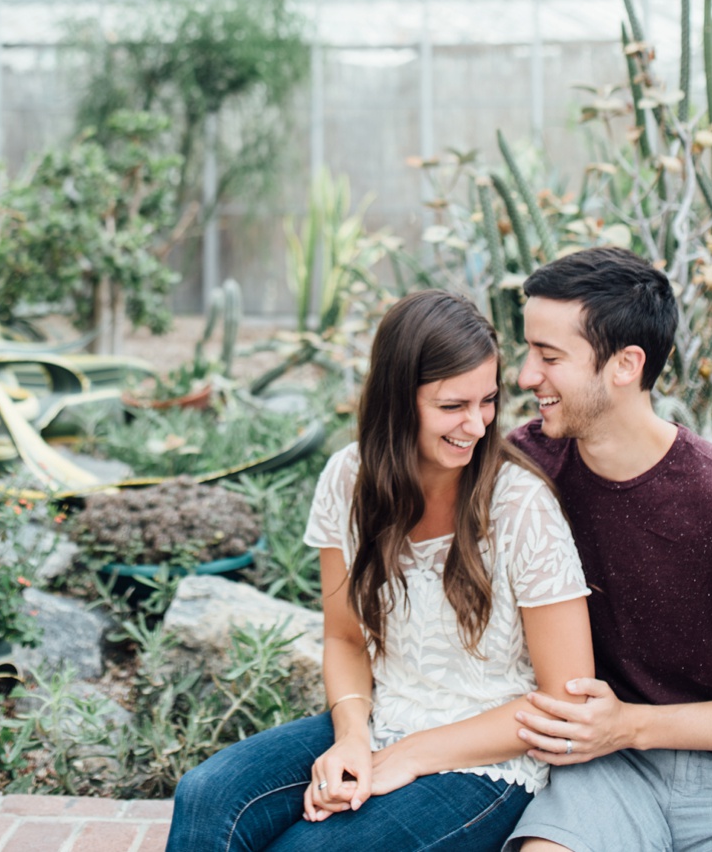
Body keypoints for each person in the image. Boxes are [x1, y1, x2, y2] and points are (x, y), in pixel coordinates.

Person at [166, 290, 593, 852]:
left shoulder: (520, 505)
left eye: (486, 401)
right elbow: (344, 638)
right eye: (451, 406)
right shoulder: (348, 479)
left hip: (491, 760)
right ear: (397, 399)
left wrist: (405, 757)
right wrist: (350, 740)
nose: (476, 424)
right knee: (206, 795)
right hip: (380, 717)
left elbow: (565, 702)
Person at [498, 245, 712, 852]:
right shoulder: (528, 464)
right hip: (605, 771)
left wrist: (632, 725)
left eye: (548, 356)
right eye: (527, 352)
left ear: (624, 365)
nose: (525, 375)